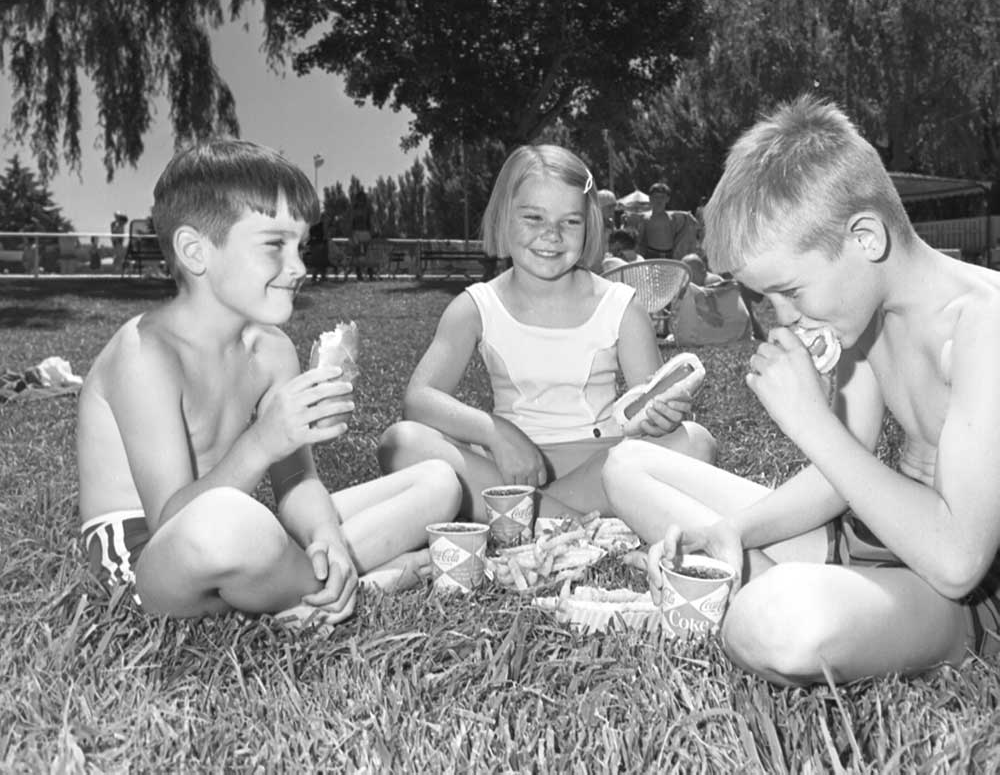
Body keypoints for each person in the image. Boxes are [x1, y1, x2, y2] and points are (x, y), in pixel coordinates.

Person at [603, 95, 1000, 686]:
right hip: (868, 543)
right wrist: (734, 531)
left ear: (865, 238)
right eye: (767, 299)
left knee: (777, 622)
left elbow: (957, 561)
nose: (783, 319)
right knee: (629, 465)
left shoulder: (983, 327)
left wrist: (812, 423)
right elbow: (840, 482)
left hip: (958, 598)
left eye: (790, 291)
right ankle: (750, 570)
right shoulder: (861, 313)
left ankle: (770, 592)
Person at [76, 140, 461, 628]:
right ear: (196, 252)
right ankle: (357, 586)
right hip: (149, 558)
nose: (299, 266)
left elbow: (297, 480)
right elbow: (171, 521)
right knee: (227, 523)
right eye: (274, 245)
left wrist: (327, 537)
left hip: (237, 533)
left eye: (300, 245)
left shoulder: (272, 349)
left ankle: (319, 582)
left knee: (437, 481)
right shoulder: (145, 354)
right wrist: (262, 441)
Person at [378, 144, 716, 523]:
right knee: (401, 442)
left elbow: (646, 417)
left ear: (589, 224)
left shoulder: (621, 306)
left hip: (600, 467)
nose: (551, 235)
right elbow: (418, 400)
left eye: (570, 221)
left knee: (694, 442)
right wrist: (496, 433)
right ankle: (571, 522)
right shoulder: (476, 306)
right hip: (509, 466)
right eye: (534, 217)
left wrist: (663, 419)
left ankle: (532, 516)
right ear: (504, 217)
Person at [669, 253, 753, 347]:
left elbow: (710, 295)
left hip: (724, 323)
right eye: (683, 272)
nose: (686, 276)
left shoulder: (712, 279)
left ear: (703, 271)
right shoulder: (689, 285)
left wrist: (711, 312)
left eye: (689, 272)